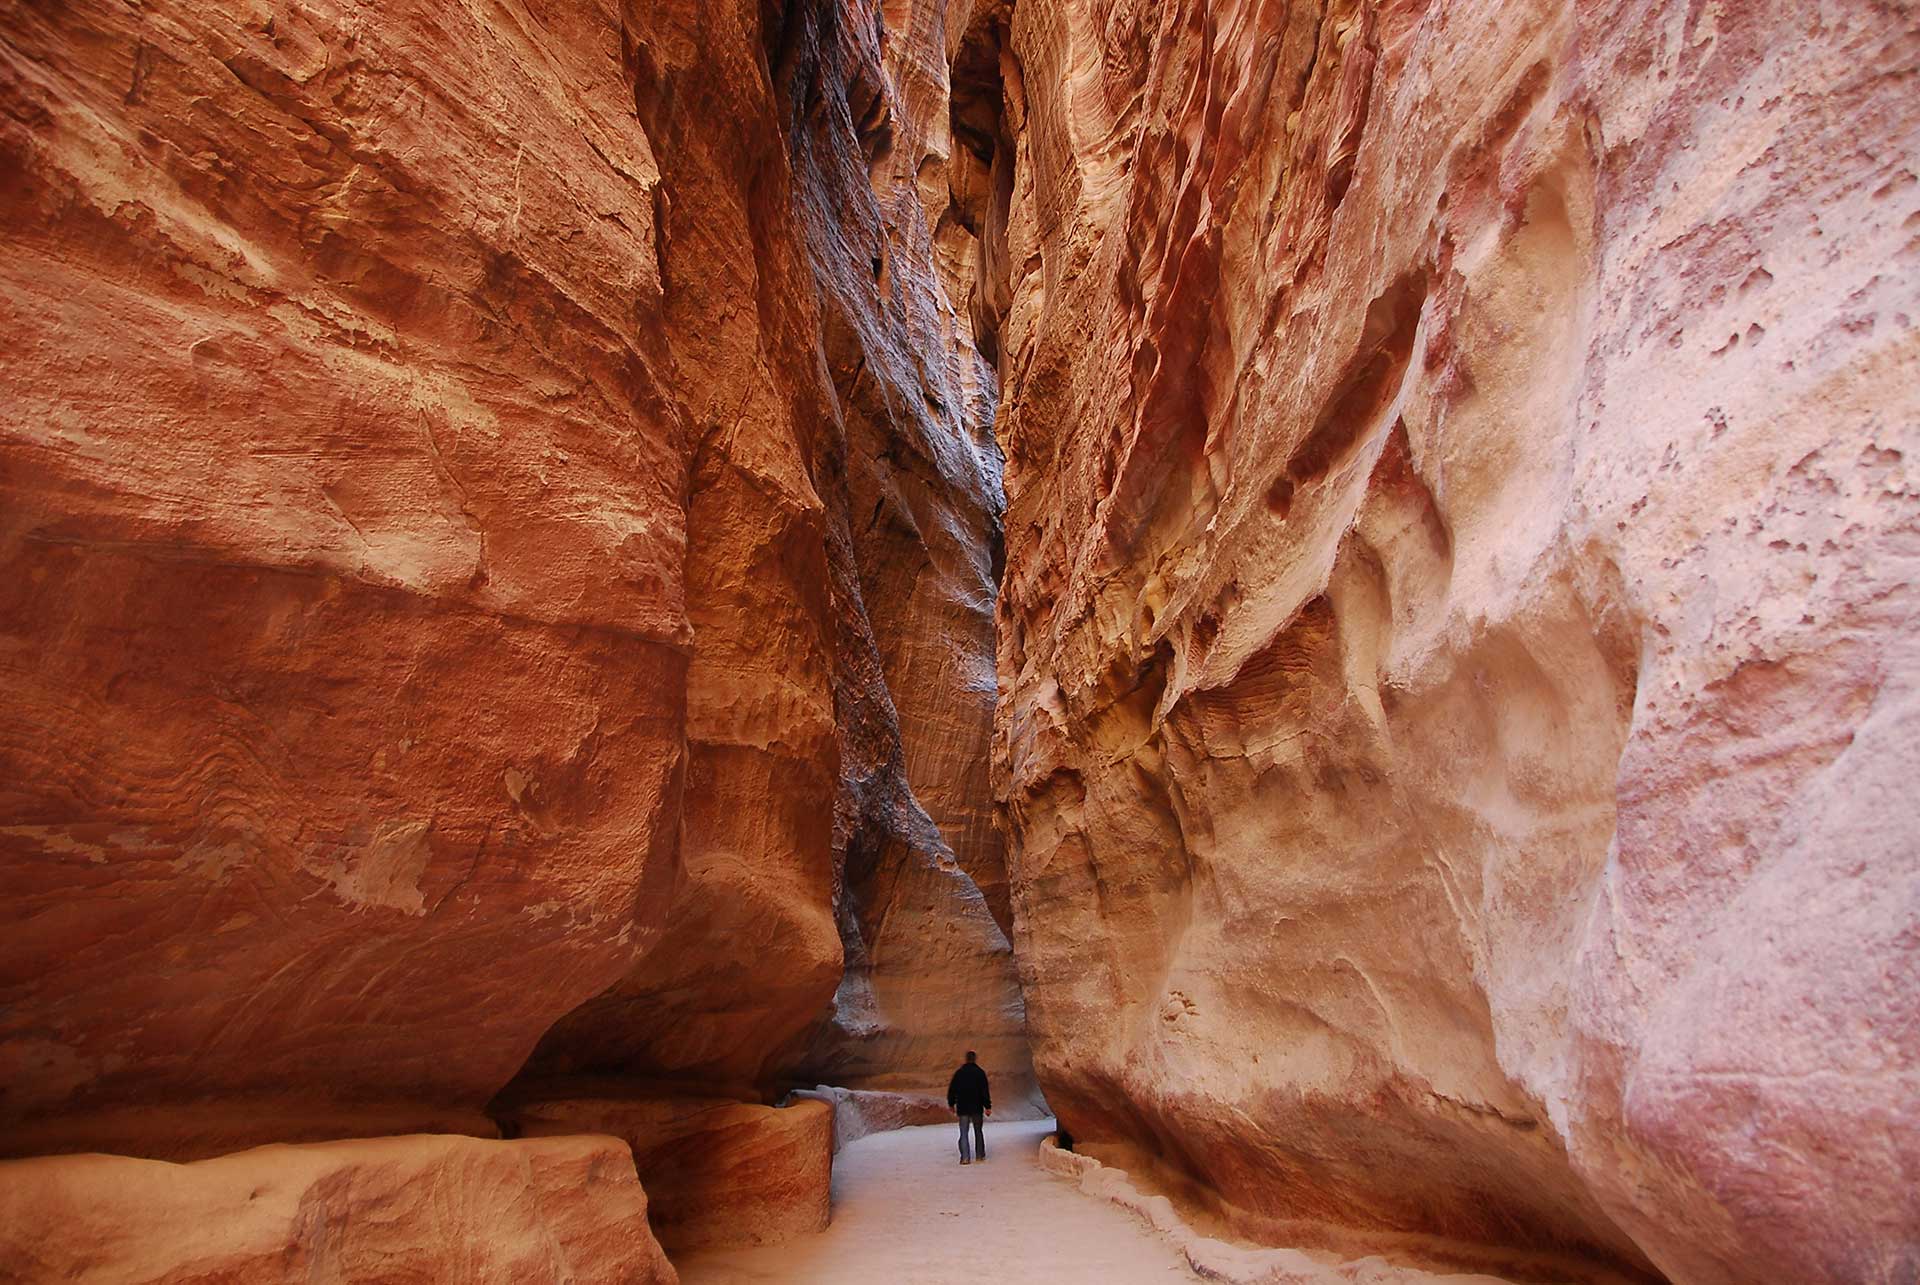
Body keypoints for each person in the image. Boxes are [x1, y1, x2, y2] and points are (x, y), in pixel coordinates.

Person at [947, 1050, 991, 1164]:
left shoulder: (959, 1073)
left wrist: (951, 1104)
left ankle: (965, 1158)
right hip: (977, 1107)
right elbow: (984, 1091)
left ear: (966, 1059)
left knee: (963, 1133)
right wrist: (987, 1106)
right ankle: (980, 1155)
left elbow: (952, 1090)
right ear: (975, 1059)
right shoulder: (980, 1073)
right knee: (978, 1131)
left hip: (963, 1108)